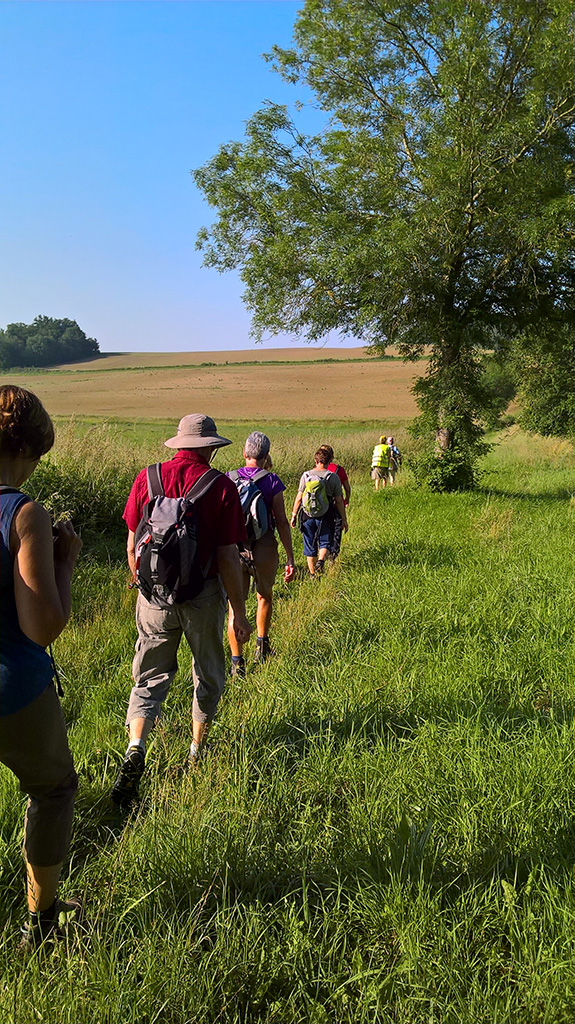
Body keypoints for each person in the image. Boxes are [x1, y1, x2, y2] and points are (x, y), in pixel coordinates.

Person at [112, 414, 252, 807]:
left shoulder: (147, 478)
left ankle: (136, 747)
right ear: (209, 447)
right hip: (203, 597)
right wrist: (238, 613)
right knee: (207, 673)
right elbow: (227, 556)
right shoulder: (221, 486)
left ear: (178, 444)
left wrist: (146, 586)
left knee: (150, 676)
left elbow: (131, 542)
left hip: (153, 598)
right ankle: (195, 752)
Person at [0, 385, 82, 948]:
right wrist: (66, 562)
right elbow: (43, 627)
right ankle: (42, 921)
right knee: (53, 789)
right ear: (27, 448)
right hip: (13, 687)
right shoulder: (23, 512)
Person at [226, 431, 295, 674]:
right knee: (264, 596)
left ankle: (237, 662)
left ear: (244, 454)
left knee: (235, 605)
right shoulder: (272, 480)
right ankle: (262, 647)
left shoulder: (229, 478)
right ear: (266, 456)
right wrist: (290, 557)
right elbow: (282, 521)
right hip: (264, 545)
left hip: (234, 548)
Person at [290, 448, 348, 577]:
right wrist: (344, 519)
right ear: (329, 462)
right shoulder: (333, 477)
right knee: (325, 542)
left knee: (310, 546)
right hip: (326, 514)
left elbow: (299, 498)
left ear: (316, 461)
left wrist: (294, 515)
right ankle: (321, 561)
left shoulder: (306, 476)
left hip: (307, 515)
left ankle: (312, 575)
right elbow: (339, 500)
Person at [317, 444, 351, 561]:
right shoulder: (339, 470)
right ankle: (332, 557)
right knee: (336, 531)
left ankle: (320, 557)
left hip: (319, 506)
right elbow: (347, 487)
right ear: (332, 457)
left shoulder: (315, 470)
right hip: (336, 505)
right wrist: (347, 499)